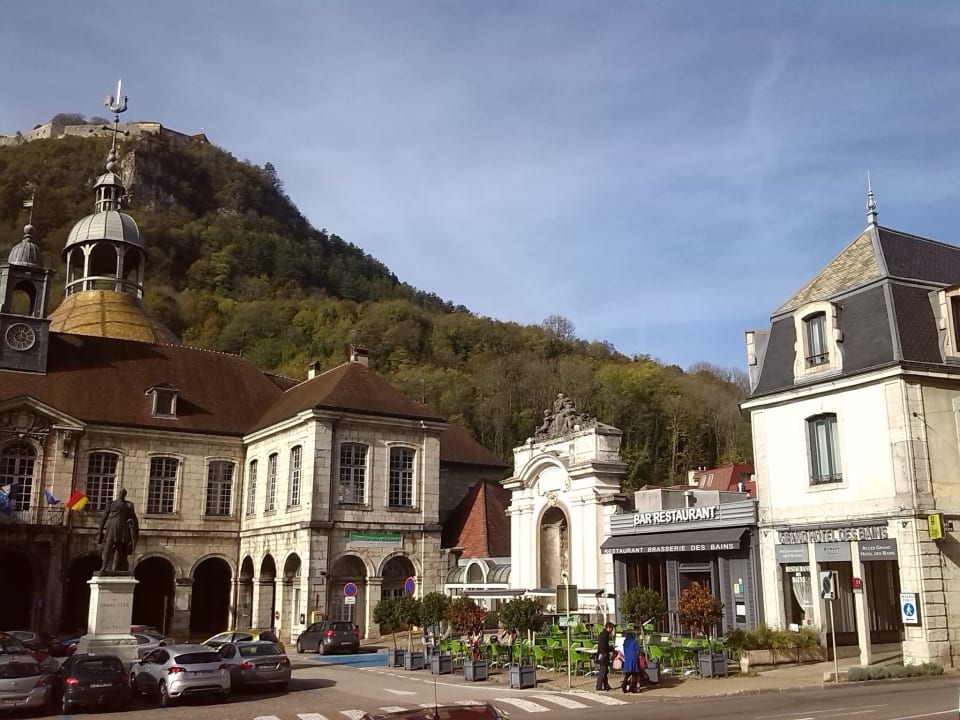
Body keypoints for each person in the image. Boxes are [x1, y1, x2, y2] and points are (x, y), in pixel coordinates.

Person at [97, 487, 139, 572]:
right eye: (120, 492)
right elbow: (104, 517)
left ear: (125, 495)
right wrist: (99, 531)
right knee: (108, 547)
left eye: (123, 493)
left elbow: (133, 518)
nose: (121, 494)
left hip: (123, 528)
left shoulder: (129, 505)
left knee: (120, 548)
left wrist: (135, 530)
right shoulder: (111, 504)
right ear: (117, 494)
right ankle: (104, 566)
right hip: (112, 527)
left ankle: (114, 568)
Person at [595, 621, 614, 691]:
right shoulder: (606, 635)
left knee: (605, 671)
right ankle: (598, 686)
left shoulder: (602, 633)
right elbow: (604, 646)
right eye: (611, 628)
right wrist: (611, 648)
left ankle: (606, 685)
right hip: (604, 656)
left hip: (601, 655)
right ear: (608, 628)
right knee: (602, 671)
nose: (612, 630)